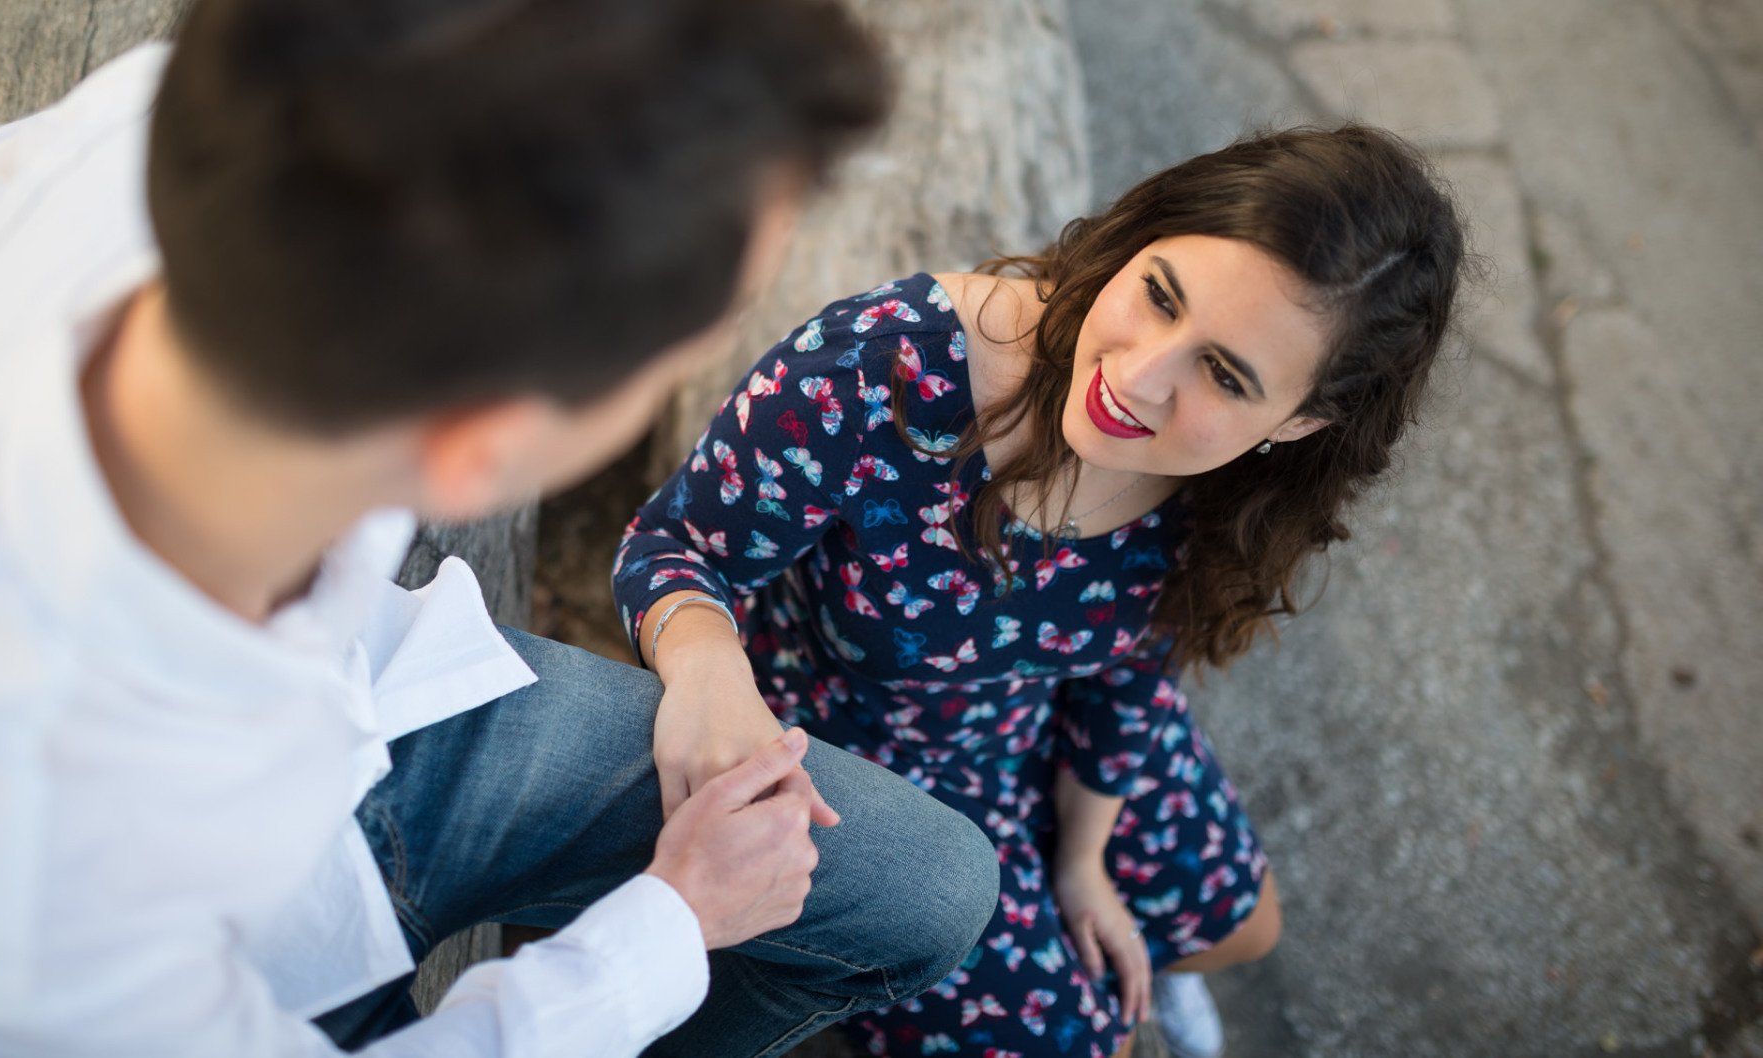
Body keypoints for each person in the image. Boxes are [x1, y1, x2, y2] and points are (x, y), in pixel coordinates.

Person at [0, 0, 1002, 1058]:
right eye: (682, 354)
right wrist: (668, 928)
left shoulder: (182, 121)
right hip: (255, 965)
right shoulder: (14, 921)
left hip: (380, 700)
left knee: (927, 887)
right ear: (476, 456)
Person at [614, 125, 1469, 1058]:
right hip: (850, 756)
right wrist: (707, 670)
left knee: (1245, 924)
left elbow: (1133, 668)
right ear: (1140, 239)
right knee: (1092, 1047)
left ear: (1299, 423)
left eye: (1223, 374)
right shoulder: (883, 367)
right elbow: (674, 545)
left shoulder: (1233, 490)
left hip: (1035, 721)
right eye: (1160, 294)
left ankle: (1108, 970)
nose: (1137, 377)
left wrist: (1082, 860)